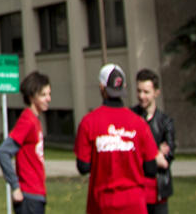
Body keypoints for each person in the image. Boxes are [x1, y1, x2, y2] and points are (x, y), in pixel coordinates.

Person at [75, 64, 159, 214]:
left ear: (101, 88)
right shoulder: (139, 123)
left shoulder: (89, 122)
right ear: (124, 87)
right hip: (134, 204)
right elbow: (151, 168)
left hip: (102, 204)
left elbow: (83, 166)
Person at [0, 72, 51, 214]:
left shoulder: (35, 120)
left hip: (37, 195)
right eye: (43, 95)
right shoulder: (27, 120)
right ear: (32, 97)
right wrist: (15, 186)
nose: (48, 99)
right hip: (29, 197)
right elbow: (3, 151)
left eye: (48, 94)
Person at [132, 69, 176, 214]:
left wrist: (142, 153)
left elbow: (166, 160)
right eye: (139, 91)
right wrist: (156, 152)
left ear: (156, 93)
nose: (141, 96)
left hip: (158, 194)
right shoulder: (130, 117)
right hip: (135, 192)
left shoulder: (165, 122)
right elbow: (127, 154)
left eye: (146, 92)